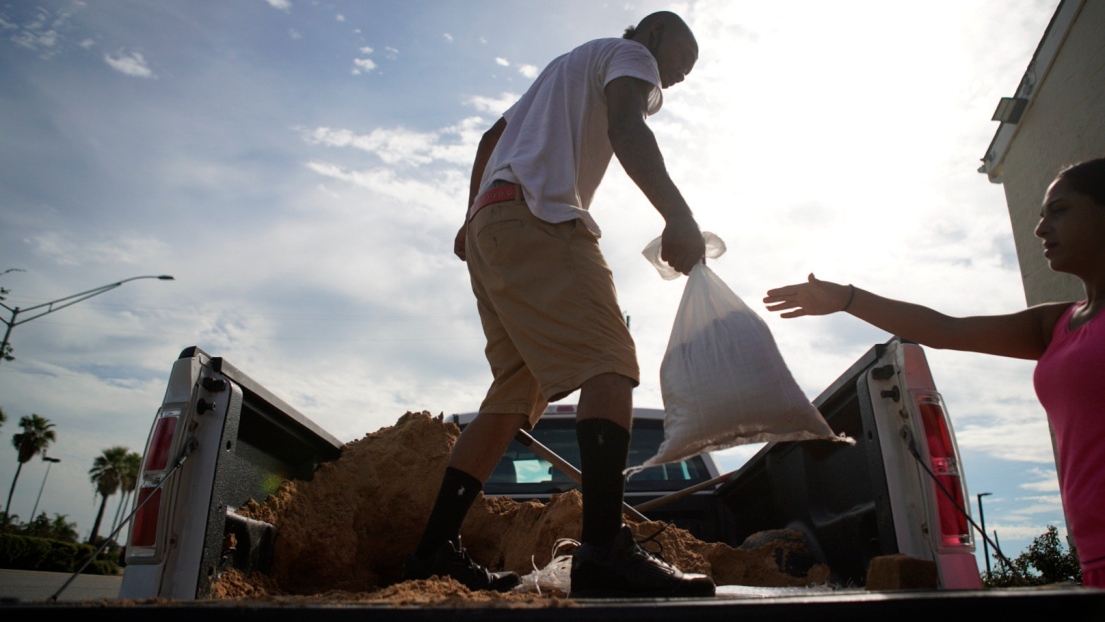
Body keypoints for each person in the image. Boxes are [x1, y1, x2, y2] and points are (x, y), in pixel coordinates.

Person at [402, 11, 715, 598]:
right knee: (611, 362)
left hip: (493, 228)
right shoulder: (631, 58)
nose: (677, 78)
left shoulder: (566, 67)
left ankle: (431, 552)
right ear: (652, 35)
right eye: (682, 61)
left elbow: (490, 139)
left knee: (513, 394)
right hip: (539, 219)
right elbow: (628, 131)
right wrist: (679, 215)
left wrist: (469, 217)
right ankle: (602, 550)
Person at [762, 157, 1105, 589]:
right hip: (1095, 554)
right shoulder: (1056, 323)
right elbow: (945, 330)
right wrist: (848, 298)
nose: (1040, 229)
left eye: (1059, 211)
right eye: (1040, 215)